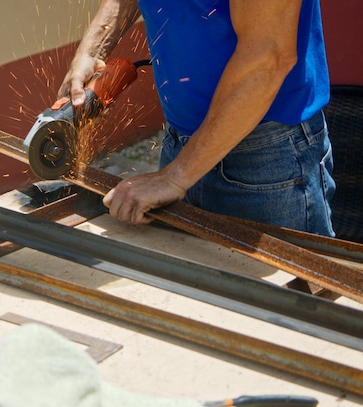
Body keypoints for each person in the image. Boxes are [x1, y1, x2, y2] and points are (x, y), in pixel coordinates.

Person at [59, 0, 335, 236]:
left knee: (277, 296)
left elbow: (267, 56)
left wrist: (176, 177)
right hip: (181, 144)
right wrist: (93, 49)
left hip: (266, 165)